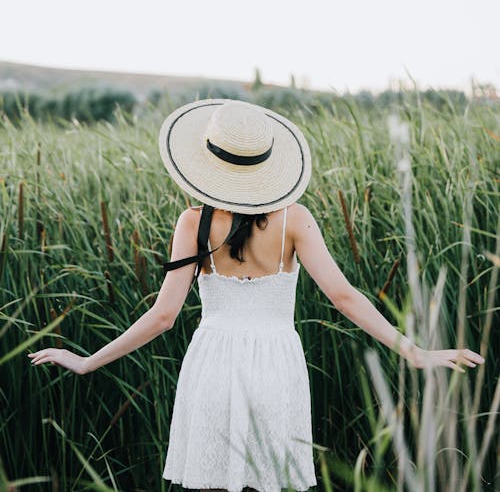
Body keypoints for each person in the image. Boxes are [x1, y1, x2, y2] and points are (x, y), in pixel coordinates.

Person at [28, 98, 485, 492]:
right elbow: (344, 297)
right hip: (276, 369)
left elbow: (163, 316)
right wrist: (414, 351)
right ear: (265, 166)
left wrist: (88, 362)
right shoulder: (295, 219)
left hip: (211, 368)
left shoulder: (193, 222)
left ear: (207, 164)